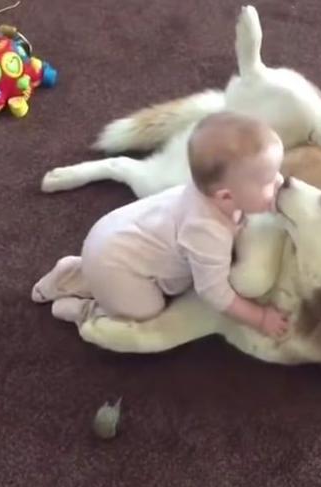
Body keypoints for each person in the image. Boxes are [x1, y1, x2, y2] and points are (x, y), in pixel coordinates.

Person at [32, 111, 289, 338]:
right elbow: (214, 292)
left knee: (108, 271)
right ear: (226, 196)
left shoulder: (207, 195)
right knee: (147, 310)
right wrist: (260, 318)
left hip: (109, 240)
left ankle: (73, 273)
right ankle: (88, 311)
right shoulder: (208, 232)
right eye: (268, 181)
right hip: (118, 266)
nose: (280, 182)